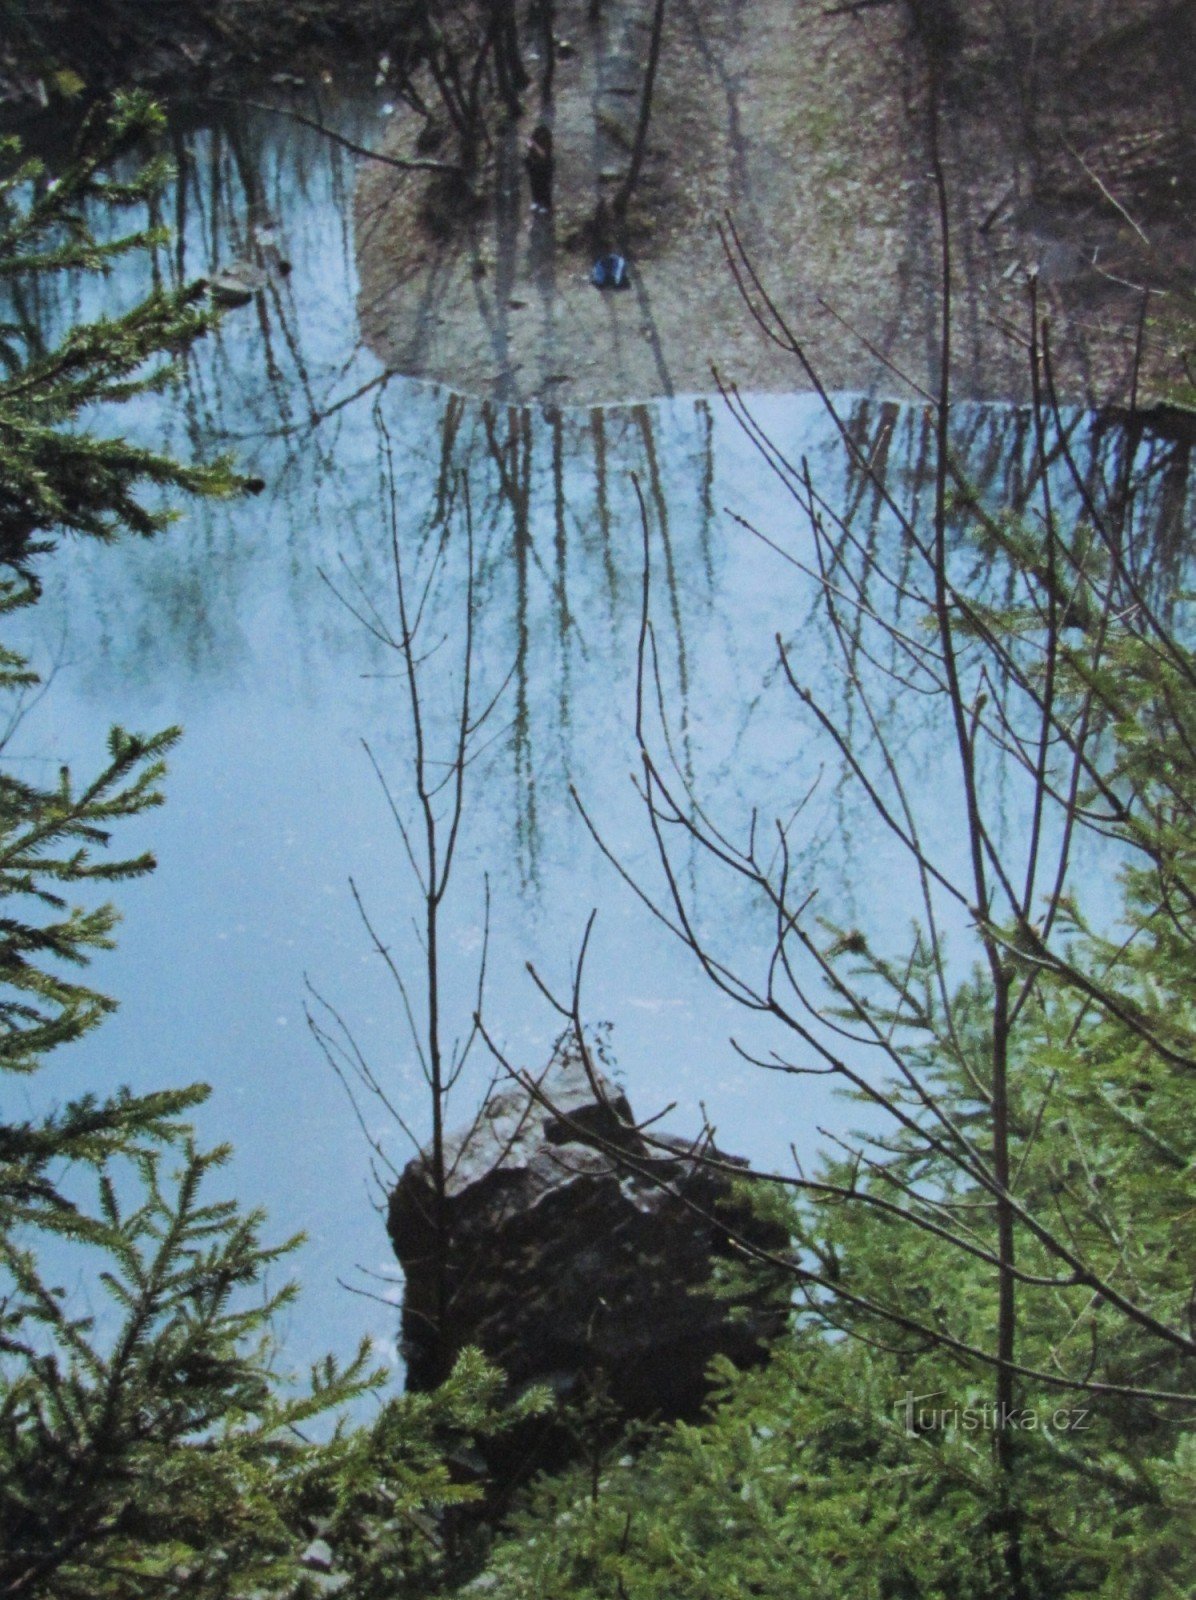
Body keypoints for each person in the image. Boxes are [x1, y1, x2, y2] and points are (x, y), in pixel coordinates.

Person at [525, 123, 554, 214]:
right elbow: (529, 144)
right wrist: (529, 144)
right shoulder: (535, 137)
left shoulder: (547, 142)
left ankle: (546, 205)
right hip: (534, 165)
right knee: (534, 185)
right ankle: (536, 202)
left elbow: (543, 154)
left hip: (544, 167)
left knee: (544, 187)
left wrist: (534, 145)